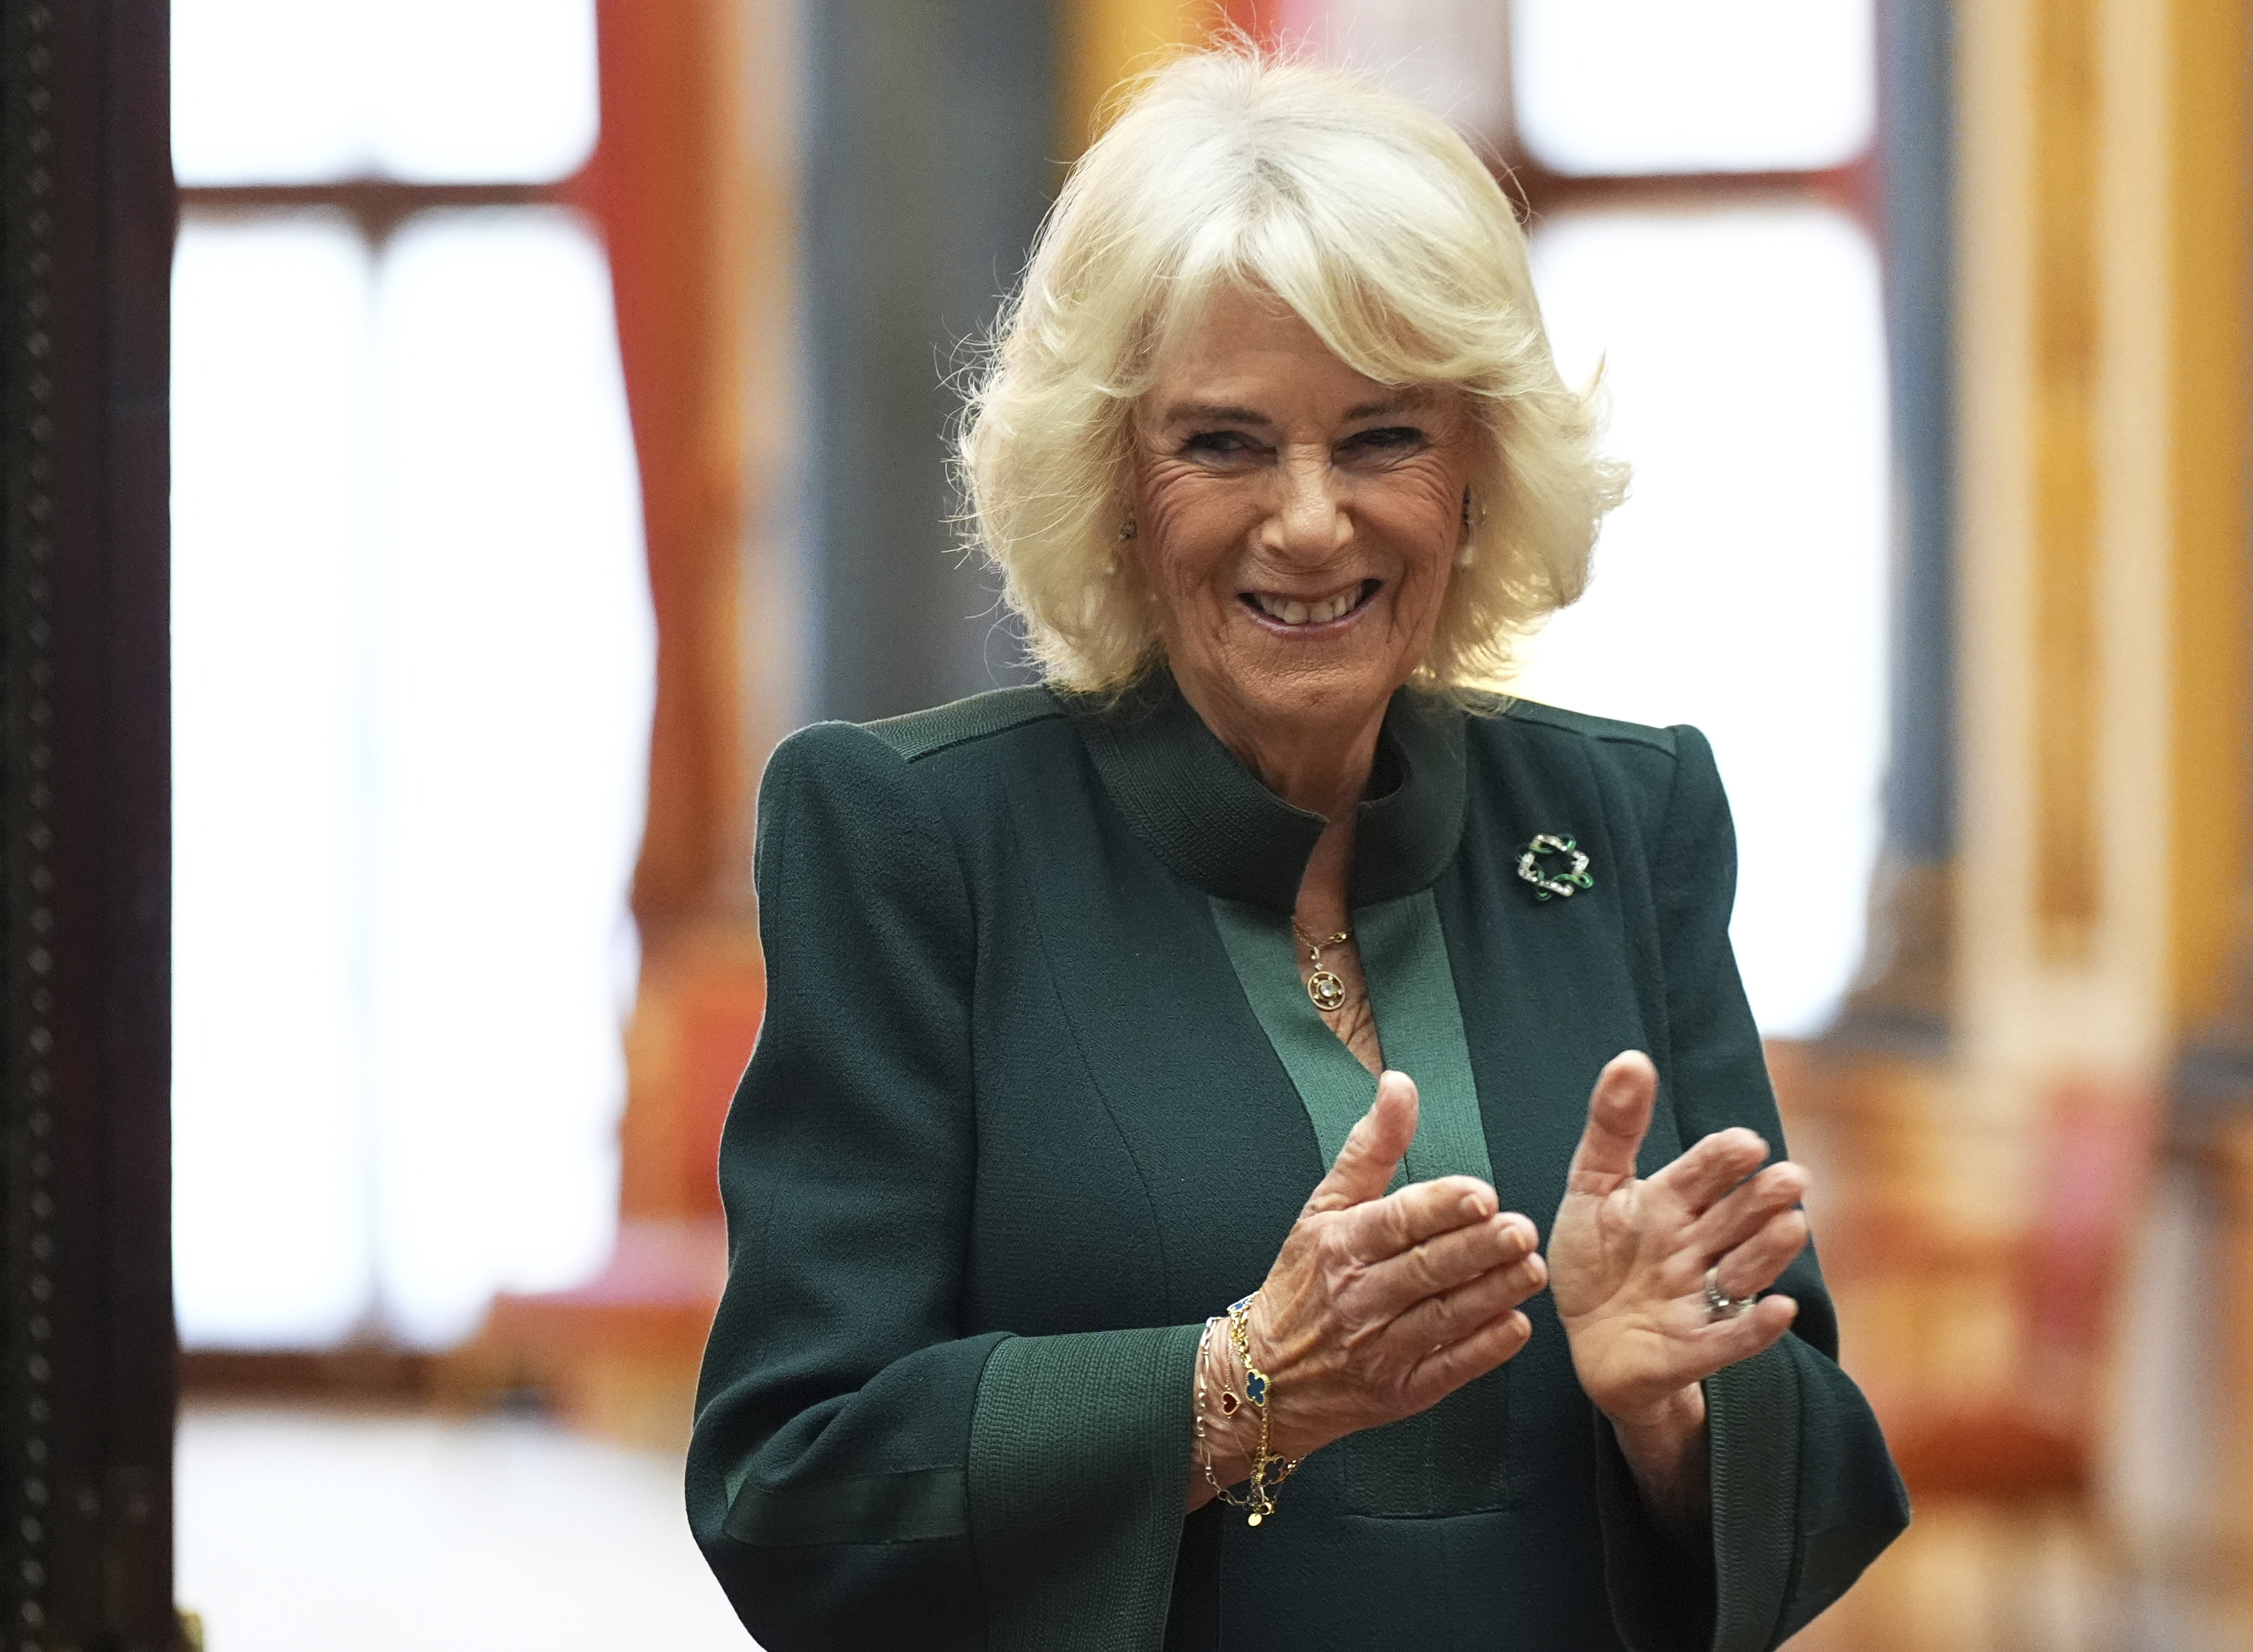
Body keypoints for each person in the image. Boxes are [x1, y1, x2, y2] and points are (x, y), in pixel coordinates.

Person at [687, 46, 1906, 1652]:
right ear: (1115, 481)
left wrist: (1670, 1409)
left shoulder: (1624, 818)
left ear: (1476, 475)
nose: (1313, 520)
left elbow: (1816, 1456)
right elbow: (790, 1486)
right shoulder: (914, 840)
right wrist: (1234, 1385)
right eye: (1226, 443)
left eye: (1383, 437)